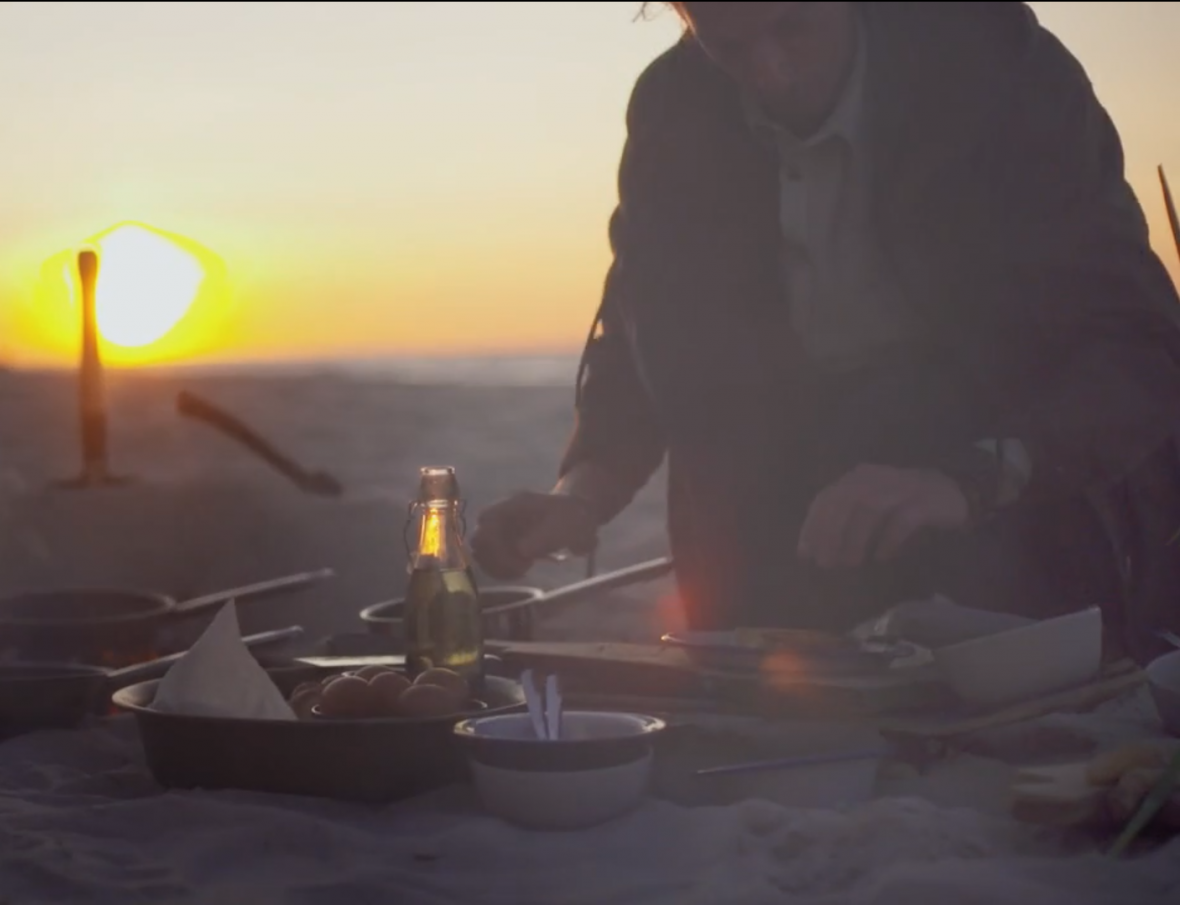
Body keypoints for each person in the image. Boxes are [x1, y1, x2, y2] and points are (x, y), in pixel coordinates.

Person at [470, 1, 1180, 664]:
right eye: (729, 47)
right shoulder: (671, 108)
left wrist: (974, 475)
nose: (771, 72)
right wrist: (582, 495)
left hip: (1019, 525)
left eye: (794, 27)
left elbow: (1140, 343)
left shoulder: (998, 67)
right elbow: (645, 331)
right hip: (767, 556)